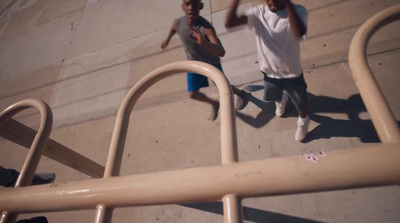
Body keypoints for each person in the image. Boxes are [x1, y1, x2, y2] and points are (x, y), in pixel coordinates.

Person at [225, 0, 310, 141]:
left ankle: (303, 121)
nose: (272, 1)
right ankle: (281, 100)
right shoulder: (259, 13)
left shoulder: (299, 11)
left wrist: (288, 4)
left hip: (292, 73)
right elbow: (230, 23)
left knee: (302, 102)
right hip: (269, 71)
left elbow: (299, 32)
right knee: (273, 94)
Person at [161, 0, 247, 121]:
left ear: (200, 7)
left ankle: (241, 93)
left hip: (212, 63)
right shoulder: (178, 23)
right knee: (193, 95)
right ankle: (214, 103)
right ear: (183, 7)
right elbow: (174, 28)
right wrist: (167, 39)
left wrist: (204, 43)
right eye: (187, 4)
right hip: (194, 64)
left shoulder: (206, 29)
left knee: (223, 87)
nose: (191, 8)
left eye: (195, 5)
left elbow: (221, 52)